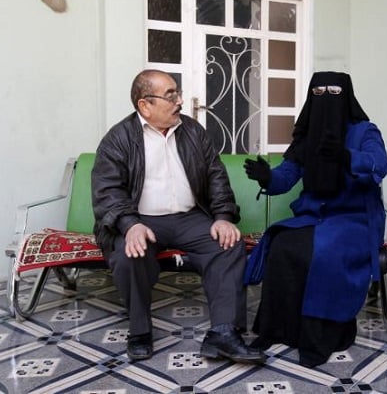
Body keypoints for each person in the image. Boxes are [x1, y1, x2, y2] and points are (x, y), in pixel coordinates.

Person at [91, 69, 265, 364]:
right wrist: (129, 225)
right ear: (145, 104)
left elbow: (215, 177)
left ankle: (223, 333)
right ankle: (140, 331)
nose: (180, 101)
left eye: (178, 93)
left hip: (189, 218)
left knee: (228, 246)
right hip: (141, 219)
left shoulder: (194, 131)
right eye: (171, 95)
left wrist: (222, 216)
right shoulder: (118, 138)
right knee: (128, 253)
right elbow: (108, 190)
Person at [243, 71, 387, 368]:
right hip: (315, 214)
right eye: (318, 92)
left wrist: (346, 156)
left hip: (354, 218)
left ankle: (320, 337)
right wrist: (267, 177)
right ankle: (277, 329)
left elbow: (380, 164)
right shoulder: (307, 135)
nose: (326, 99)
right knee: (283, 246)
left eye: (334, 93)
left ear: (347, 96)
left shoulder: (364, 131)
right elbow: (287, 176)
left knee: (326, 254)